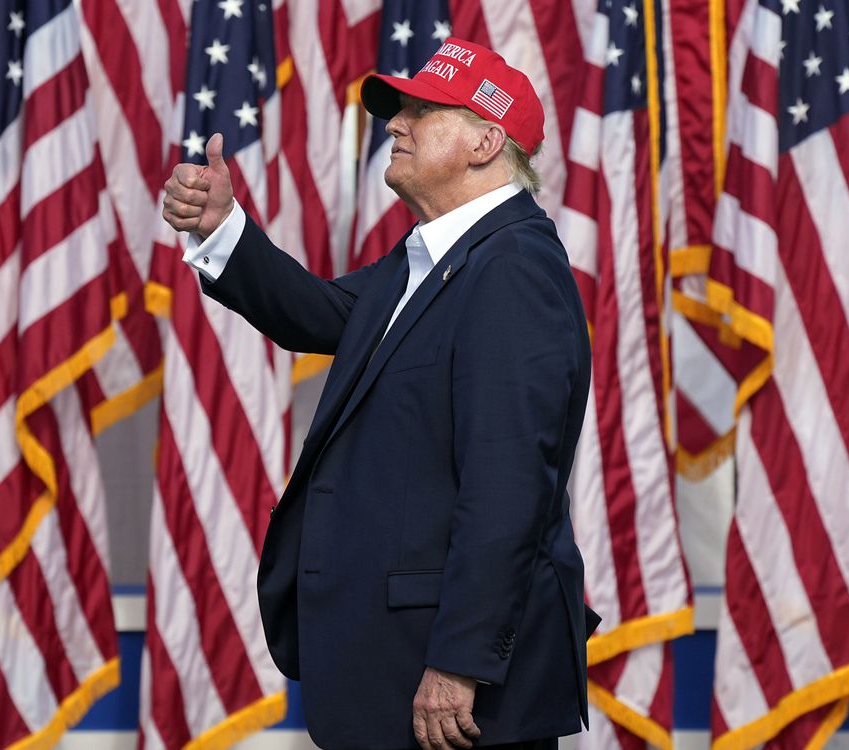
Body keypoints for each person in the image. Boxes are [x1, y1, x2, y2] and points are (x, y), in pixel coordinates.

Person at [162, 37, 597, 750]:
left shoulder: (513, 268)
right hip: (389, 665)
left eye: (422, 110)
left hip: (451, 690)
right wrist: (223, 231)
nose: (395, 123)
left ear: (487, 140)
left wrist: (460, 661)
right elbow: (322, 314)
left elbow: (507, 487)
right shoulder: (436, 258)